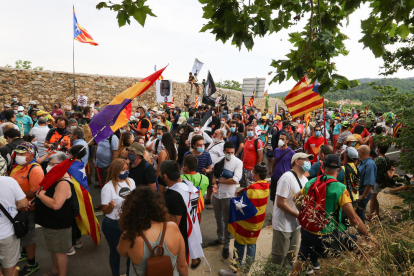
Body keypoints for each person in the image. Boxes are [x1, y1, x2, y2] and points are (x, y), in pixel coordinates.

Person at [292, 154, 372, 275]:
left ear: (323, 167)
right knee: (369, 244)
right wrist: (368, 235)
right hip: (327, 236)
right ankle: (355, 271)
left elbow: (296, 198)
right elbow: (354, 219)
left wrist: (304, 214)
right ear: (339, 170)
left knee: (300, 264)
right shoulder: (340, 188)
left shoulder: (312, 182)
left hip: (308, 231)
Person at [117, 187, 188, 276]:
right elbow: (182, 265)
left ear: (130, 210)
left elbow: (122, 252)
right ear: (158, 206)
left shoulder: (129, 236)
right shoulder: (172, 227)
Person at [218, 162, 269, 276]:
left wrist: (232, 200)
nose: (251, 174)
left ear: (256, 175)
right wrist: (243, 191)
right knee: (252, 243)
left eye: (253, 173)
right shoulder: (265, 185)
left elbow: (243, 204)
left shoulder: (252, 189)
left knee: (239, 243)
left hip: (248, 223)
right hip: (258, 222)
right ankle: (248, 267)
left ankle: (234, 269)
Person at [33, 152, 75, 276]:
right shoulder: (55, 176)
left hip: (59, 224)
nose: (49, 166)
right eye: (49, 163)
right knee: (54, 250)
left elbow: (56, 205)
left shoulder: (63, 182)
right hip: (51, 222)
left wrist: (40, 195)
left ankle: (61, 273)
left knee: (60, 252)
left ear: (62, 164)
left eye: (52, 164)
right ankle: (55, 271)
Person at [271, 153, 312, 270]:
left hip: (295, 225)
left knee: (291, 257)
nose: (308, 162)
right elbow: (280, 202)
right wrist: (300, 216)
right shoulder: (286, 177)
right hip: (283, 225)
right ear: (297, 162)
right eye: (306, 159)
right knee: (278, 258)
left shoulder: (305, 180)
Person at [10, 142, 44, 276]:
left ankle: (32, 263)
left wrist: (16, 195)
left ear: (30, 155)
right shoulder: (18, 167)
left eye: (22, 154)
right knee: (22, 233)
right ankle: (24, 253)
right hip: (18, 207)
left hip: (28, 208)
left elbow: (36, 192)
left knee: (29, 236)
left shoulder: (35, 169)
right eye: (17, 153)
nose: (18, 156)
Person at [161, 160, 203, 269]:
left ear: (165, 176)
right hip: (191, 228)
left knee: (179, 265)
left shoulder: (172, 196)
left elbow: (173, 225)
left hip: (180, 237)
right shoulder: (187, 184)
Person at [101, 158, 136, 276]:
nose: (126, 172)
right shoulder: (108, 188)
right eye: (123, 170)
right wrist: (111, 206)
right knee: (115, 252)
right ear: (116, 171)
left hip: (129, 222)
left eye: (127, 169)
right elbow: (105, 210)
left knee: (131, 251)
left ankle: (129, 273)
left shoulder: (131, 181)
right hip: (113, 224)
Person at [210, 141, 243, 259]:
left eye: (232, 152)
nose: (230, 154)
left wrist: (219, 181)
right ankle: (220, 238)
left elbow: (235, 180)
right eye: (228, 152)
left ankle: (226, 245)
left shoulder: (238, 162)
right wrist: (214, 183)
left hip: (228, 195)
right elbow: (215, 176)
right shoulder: (220, 162)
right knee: (218, 218)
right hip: (217, 195)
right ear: (223, 151)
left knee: (227, 220)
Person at [0, 176, 29, 276]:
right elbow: (24, 203)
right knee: (11, 267)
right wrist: (12, 207)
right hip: (7, 233)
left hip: (7, 233)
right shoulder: (9, 181)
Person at [367, 144, 393, 221]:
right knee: (374, 198)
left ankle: (370, 215)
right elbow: (388, 168)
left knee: (372, 198)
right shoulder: (387, 159)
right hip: (382, 181)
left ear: (378, 149)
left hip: (376, 181)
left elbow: (371, 169)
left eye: (377, 147)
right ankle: (377, 214)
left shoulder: (377, 160)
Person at [270, 133, 295, 204]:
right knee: (274, 198)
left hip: (285, 180)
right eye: (279, 139)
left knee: (284, 198)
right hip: (275, 177)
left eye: (282, 139)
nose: (280, 140)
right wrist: (272, 175)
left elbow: (293, 167)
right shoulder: (276, 150)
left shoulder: (292, 153)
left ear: (287, 141)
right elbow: (274, 163)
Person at [357, 145, 377, 223]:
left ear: (361, 152)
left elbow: (369, 183)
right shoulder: (362, 162)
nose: (357, 152)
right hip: (360, 192)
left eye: (358, 150)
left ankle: (362, 233)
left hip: (363, 193)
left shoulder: (369, 164)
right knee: (358, 213)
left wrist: (363, 196)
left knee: (360, 213)